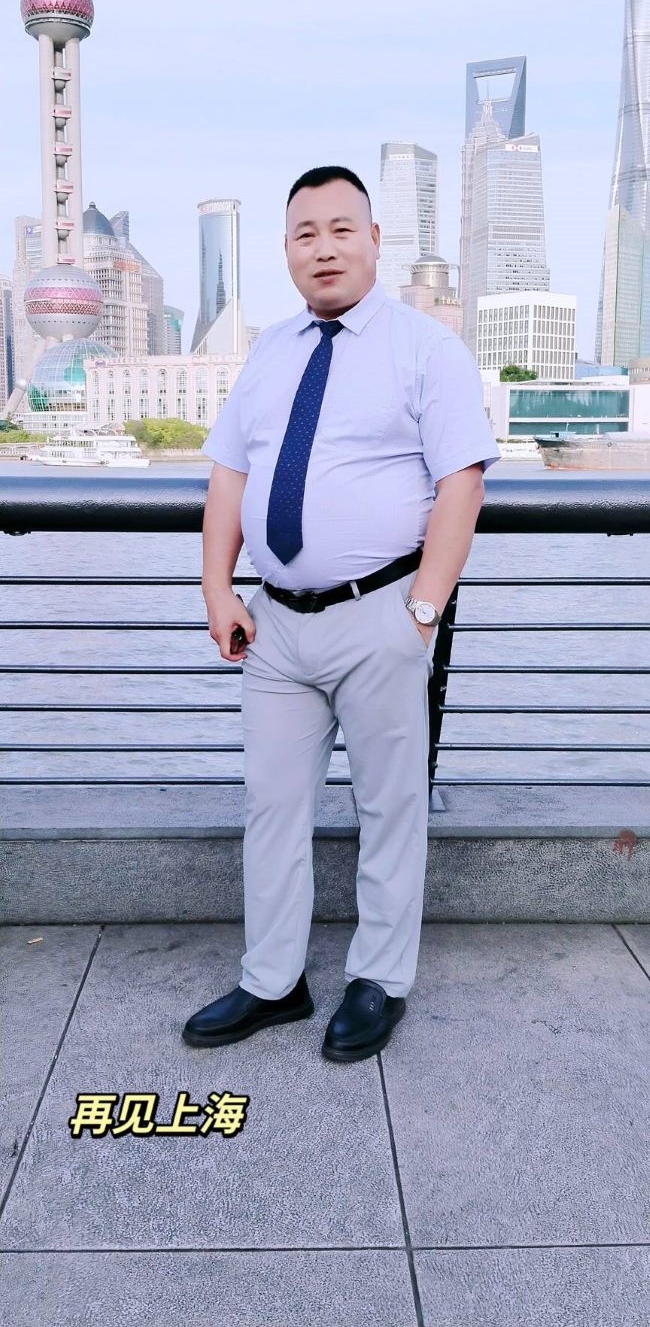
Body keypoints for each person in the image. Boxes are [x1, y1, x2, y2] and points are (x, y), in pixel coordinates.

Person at [182, 164, 500, 1063]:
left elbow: (462, 484)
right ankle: (272, 980)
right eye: (305, 233)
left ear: (373, 241)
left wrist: (421, 612)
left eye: (340, 229)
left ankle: (379, 980)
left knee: (390, 806)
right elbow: (230, 477)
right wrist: (218, 589)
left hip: (381, 614)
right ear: (287, 250)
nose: (323, 248)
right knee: (271, 805)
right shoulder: (269, 352)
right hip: (274, 624)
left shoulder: (426, 348)